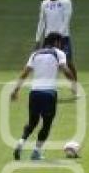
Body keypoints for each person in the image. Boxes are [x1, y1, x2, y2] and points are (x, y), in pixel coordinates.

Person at [11, 33, 76, 161]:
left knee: (32, 122)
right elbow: (65, 69)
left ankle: (21, 142)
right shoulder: (59, 53)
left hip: (34, 93)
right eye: (60, 42)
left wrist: (15, 90)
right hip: (49, 93)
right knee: (46, 124)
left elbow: (25, 73)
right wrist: (74, 83)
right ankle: (36, 151)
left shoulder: (35, 54)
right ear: (56, 42)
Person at [35, 0, 78, 96]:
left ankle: (74, 85)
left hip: (63, 37)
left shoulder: (65, 1)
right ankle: (48, 88)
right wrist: (38, 39)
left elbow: (66, 19)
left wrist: (59, 35)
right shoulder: (44, 4)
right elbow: (41, 21)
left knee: (68, 62)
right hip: (48, 38)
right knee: (49, 63)